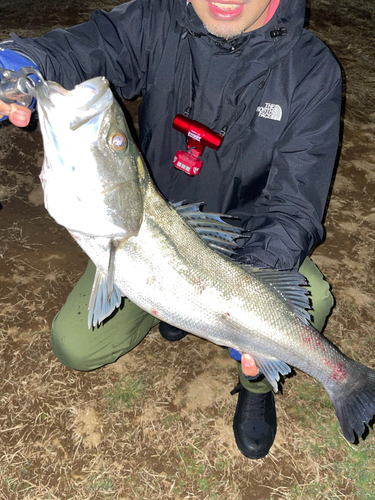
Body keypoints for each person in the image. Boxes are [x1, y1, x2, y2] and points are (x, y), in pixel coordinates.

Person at [0, 0, 341, 460]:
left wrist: (243, 295)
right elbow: (90, 46)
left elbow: (294, 206)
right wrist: (25, 62)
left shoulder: (312, 70)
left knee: (309, 299)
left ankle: (255, 381)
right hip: (148, 228)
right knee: (76, 343)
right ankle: (177, 314)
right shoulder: (157, 18)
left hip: (247, 246)